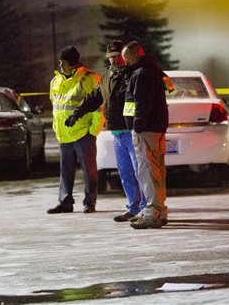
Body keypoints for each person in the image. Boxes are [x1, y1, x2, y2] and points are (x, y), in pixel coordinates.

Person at [65, 40, 146, 222]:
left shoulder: (133, 73)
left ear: (124, 56)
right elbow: (94, 98)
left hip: (132, 131)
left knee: (140, 172)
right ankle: (133, 208)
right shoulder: (106, 75)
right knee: (125, 173)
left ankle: (145, 209)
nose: (114, 61)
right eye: (110, 58)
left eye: (117, 57)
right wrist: (77, 113)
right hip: (116, 132)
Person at [47, 45, 103, 214]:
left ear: (72, 62)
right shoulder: (56, 80)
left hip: (83, 132)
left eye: (63, 62)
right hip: (64, 134)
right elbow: (55, 106)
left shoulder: (90, 79)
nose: (60, 65)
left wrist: (93, 131)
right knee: (66, 171)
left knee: (89, 170)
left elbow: (98, 108)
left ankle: (89, 202)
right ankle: (65, 203)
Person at [121, 41, 169, 229]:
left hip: (145, 129)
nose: (125, 62)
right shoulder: (153, 70)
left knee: (146, 169)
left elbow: (142, 101)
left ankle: (152, 213)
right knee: (157, 170)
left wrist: (138, 123)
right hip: (155, 128)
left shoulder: (141, 73)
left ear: (136, 54)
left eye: (127, 58)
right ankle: (160, 210)